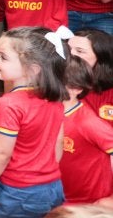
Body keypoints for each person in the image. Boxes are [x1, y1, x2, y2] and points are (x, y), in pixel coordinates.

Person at [0, 26, 68, 218]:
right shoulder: (55, 99)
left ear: (32, 69)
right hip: (52, 186)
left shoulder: (8, 104)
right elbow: (58, 144)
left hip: (17, 191)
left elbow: (1, 153)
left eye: (3, 57)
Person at [60, 54, 113, 208]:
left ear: (76, 88)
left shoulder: (87, 122)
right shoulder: (49, 111)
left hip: (89, 204)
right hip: (62, 197)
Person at [68, 28, 113, 127]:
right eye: (68, 49)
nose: (70, 54)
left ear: (100, 58)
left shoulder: (110, 94)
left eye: (79, 51)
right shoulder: (53, 83)